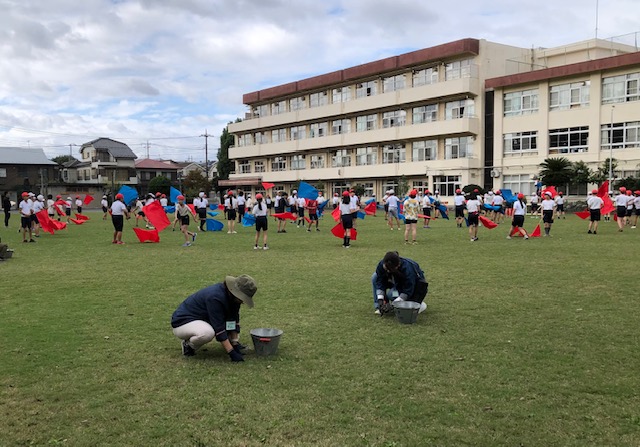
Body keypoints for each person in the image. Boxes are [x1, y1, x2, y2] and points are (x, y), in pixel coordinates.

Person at [171, 275, 257, 360]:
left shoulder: (233, 298)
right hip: (183, 322)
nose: (243, 301)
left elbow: (233, 319)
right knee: (207, 333)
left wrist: (235, 343)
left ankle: (231, 343)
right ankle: (188, 346)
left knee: (227, 330)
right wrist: (231, 352)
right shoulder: (215, 297)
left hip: (204, 319)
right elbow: (218, 327)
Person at [371, 251, 428, 316]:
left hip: (413, 289)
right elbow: (379, 281)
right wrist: (380, 299)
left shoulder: (408, 269)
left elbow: (408, 290)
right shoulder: (382, 264)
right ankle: (380, 306)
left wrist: (393, 305)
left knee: (392, 294)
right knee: (375, 277)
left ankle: (418, 304)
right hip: (396, 284)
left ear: (397, 266)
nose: (387, 271)